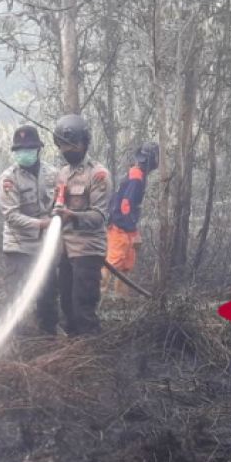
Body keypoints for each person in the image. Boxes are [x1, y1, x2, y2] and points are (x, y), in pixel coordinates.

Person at [51, 114, 111, 336]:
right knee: (66, 304)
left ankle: (90, 356)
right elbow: (55, 205)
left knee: (83, 307)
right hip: (65, 250)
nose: (67, 150)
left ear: (84, 142)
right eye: (62, 146)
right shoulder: (62, 174)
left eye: (71, 145)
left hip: (87, 251)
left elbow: (98, 217)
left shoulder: (98, 175)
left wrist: (72, 215)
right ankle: (73, 353)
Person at [0, 124, 59, 335]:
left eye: (29, 149)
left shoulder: (53, 174)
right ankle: (14, 338)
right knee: (15, 294)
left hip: (45, 247)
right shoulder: (8, 179)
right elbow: (11, 216)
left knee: (48, 293)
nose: (24, 154)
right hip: (18, 247)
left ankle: (48, 336)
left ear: (38, 149)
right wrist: (41, 224)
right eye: (20, 151)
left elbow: (60, 202)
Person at [104, 142, 159, 296]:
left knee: (126, 265)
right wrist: (132, 231)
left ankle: (121, 302)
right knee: (112, 264)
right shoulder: (136, 177)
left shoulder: (137, 174)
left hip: (125, 227)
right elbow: (125, 205)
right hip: (120, 227)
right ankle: (95, 301)